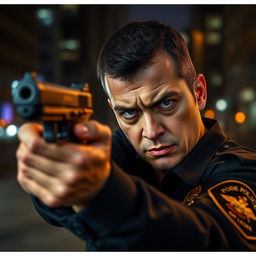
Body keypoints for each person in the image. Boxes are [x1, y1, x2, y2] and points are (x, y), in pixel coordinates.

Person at [16, 20, 256, 251]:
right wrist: (51, 171)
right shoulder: (120, 150)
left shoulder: (243, 170)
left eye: (166, 103)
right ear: (114, 110)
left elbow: (212, 240)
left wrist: (107, 191)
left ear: (199, 94)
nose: (151, 131)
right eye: (129, 113)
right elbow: (57, 209)